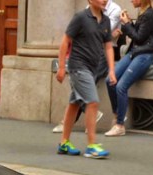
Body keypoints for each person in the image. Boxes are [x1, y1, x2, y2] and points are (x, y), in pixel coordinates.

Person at [52, 1, 122, 135]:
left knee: (74, 104)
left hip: (93, 66)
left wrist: (112, 71)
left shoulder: (106, 20)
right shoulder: (81, 17)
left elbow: (108, 47)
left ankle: (64, 142)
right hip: (78, 65)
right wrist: (61, 67)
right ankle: (91, 146)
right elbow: (65, 41)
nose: (103, 0)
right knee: (93, 102)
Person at [105, 0, 153, 136]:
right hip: (135, 52)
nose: (130, 0)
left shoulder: (149, 14)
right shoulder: (144, 12)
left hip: (145, 55)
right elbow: (138, 34)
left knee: (121, 86)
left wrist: (126, 24)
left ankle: (119, 125)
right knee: (109, 80)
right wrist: (129, 22)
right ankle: (118, 114)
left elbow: (139, 38)